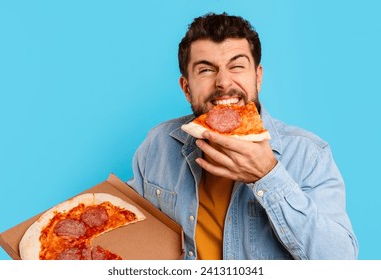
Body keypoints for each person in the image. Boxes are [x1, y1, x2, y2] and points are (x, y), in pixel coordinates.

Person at [127, 13, 359, 260]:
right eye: (206, 70)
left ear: (257, 77)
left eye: (236, 66)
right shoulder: (158, 144)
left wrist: (268, 175)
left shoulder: (309, 155)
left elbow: (341, 262)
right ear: (186, 88)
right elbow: (130, 233)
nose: (223, 82)